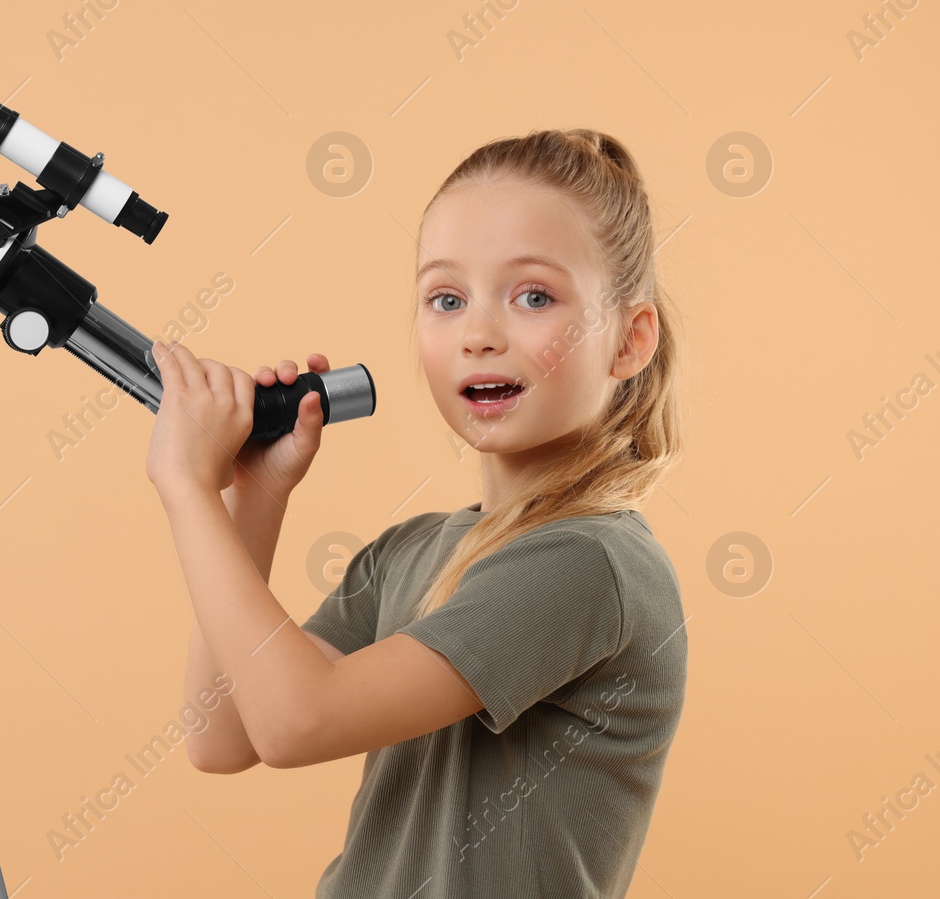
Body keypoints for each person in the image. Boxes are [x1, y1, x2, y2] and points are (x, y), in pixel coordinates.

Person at [146, 128, 687, 898]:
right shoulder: (408, 550)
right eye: (446, 298)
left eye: (534, 296)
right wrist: (254, 498)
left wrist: (185, 487)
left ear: (629, 341)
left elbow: (299, 722)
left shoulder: (587, 562)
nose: (479, 334)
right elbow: (222, 731)